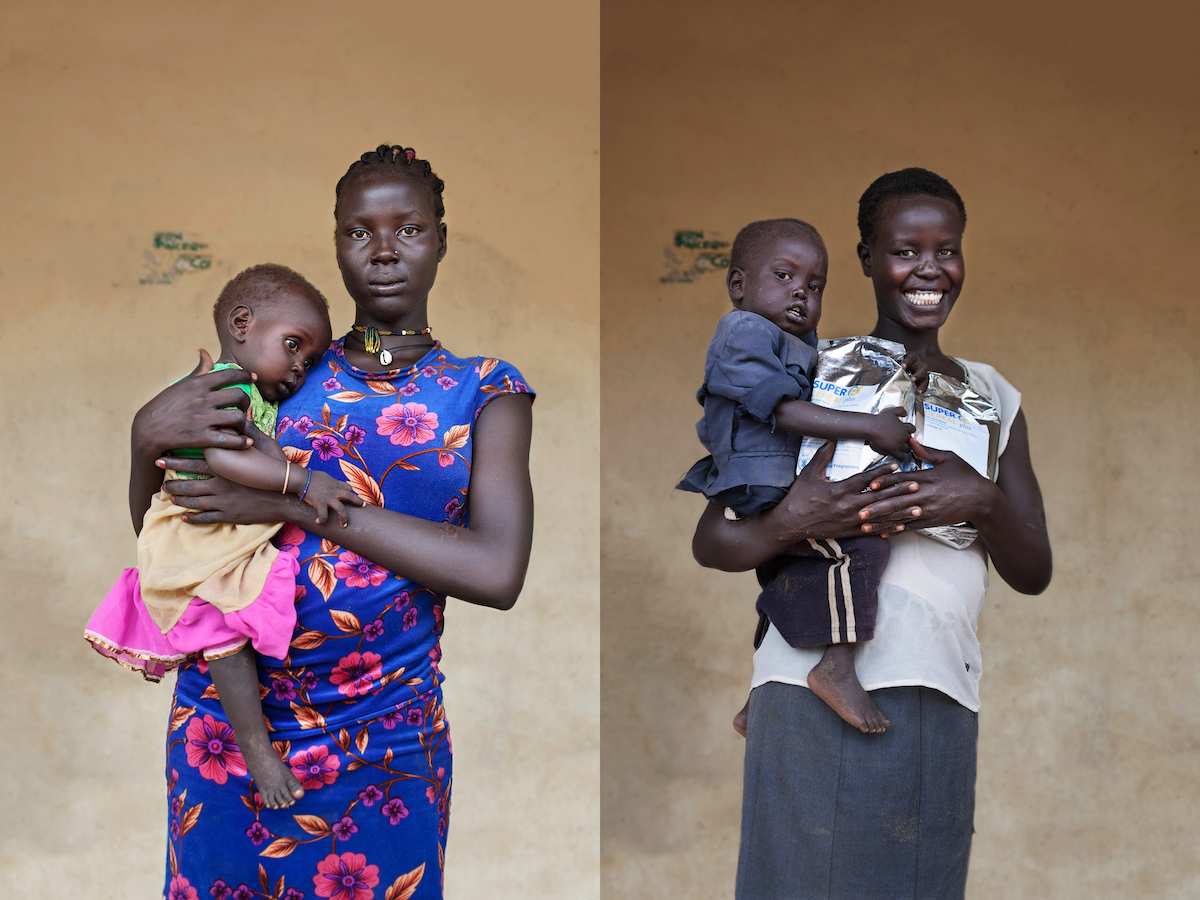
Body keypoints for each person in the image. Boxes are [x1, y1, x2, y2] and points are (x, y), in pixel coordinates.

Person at [127, 145, 535, 899]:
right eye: (359, 232)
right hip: (229, 735)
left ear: (441, 239)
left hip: (388, 735)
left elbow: (496, 572)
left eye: (409, 229)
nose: (383, 250)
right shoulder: (284, 369)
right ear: (337, 242)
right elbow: (177, 531)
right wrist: (141, 440)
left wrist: (289, 504)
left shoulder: (484, 391)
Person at [691, 168, 1051, 899]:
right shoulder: (811, 373)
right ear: (865, 259)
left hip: (942, 684)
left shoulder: (994, 396)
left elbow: (1035, 566)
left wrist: (980, 501)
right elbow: (714, 539)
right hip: (805, 687)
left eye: (946, 250)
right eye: (903, 250)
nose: (928, 269)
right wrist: (797, 518)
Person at [87, 263, 364, 811]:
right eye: (292, 346)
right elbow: (222, 456)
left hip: (211, 529)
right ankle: (257, 751)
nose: (297, 369)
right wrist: (303, 482)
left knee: (235, 625)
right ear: (242, 323)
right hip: (194, 530)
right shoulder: (222, 388)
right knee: (225, 638)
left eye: (307, 360)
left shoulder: (247, 390)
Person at [678, 218, 925, 735]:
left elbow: (841, 392)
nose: (801, 293)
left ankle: (756, 694)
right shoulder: (743, 331)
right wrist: (871, 429)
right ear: (739, 285)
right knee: (863, 546)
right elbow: (786, 412)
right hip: (763, 481)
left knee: (787, 577)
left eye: (815, 286)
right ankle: (837, 667)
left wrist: (899, 378)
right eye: (784, 276)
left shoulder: (800, 344)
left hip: (781, 479)